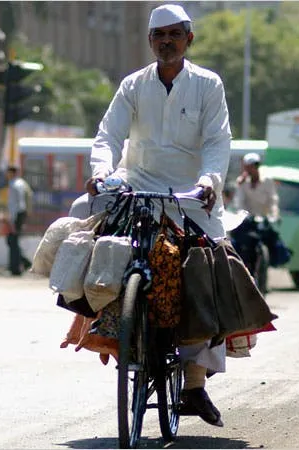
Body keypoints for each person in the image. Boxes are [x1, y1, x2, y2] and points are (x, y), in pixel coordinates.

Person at [68, 4, 231, 427]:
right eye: (159, 35)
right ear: (150, 41)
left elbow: (217, 142)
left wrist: (211, 181)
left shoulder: (208, 85)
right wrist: (101, 172)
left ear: (189, 39)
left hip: (190, 196)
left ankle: (194, 383)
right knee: (82, 221)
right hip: (136, 187)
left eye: (174, 34)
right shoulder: (133, 85)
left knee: (208, 271)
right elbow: (108, 135)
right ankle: (98, 322)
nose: (166, 41)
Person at [233, 152, 279, 221]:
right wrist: (242, 216)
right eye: (246, 167)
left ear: (257, 166)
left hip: (264, 219)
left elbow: (273, 200)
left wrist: (274, 215)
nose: (248, 170)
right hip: (247, 220)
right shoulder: (242, 182)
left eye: (251, 167)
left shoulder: (267, 180)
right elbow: (239, 201)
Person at [4, 165, 33, 275]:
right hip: (19, 215)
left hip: (17, 215)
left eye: (8, 172)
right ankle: (24, 263)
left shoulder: (14, 184)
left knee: (12, 240)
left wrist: (13, 220)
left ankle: (15, 269)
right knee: (12, 241)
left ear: (12, 173)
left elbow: (18, 204)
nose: (6, 175)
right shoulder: (20, 183)